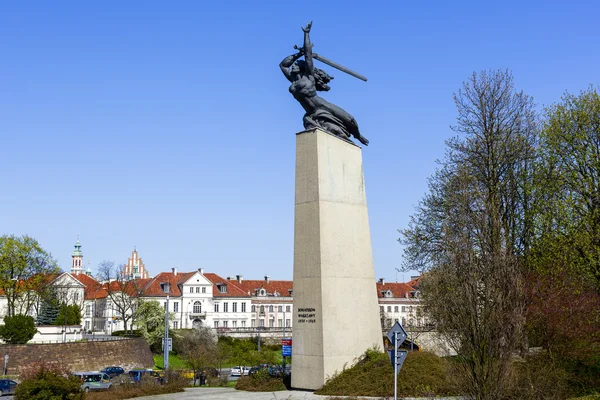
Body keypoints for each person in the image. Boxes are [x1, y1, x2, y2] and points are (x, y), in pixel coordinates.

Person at [280, 22, 369, 146]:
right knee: (335, 130)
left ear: (302, 67)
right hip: (311, 113)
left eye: (296, 64)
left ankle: (358, 135)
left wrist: (306, 34)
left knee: (350, 119)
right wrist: (298, 54)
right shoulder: (293, 80)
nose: (293, 65)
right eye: (294, 64)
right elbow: (283, 65)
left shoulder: (308, 76)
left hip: (322, 106)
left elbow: (308, 55)